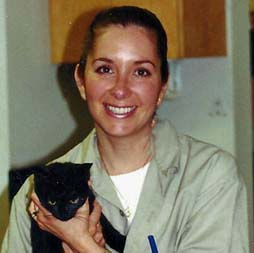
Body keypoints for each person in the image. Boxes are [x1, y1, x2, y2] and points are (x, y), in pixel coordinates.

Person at [1, 5, 250, 253]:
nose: (120, 89)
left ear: (162, 86)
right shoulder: (37, 194)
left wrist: (82, 243)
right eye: (105, 69)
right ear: (81, 81)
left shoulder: (209, 177)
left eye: (140, 72)